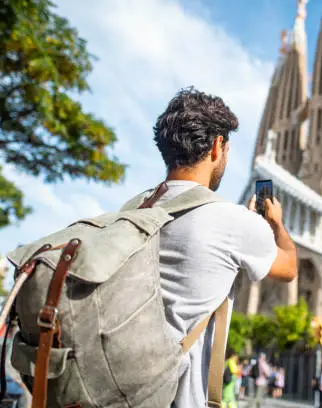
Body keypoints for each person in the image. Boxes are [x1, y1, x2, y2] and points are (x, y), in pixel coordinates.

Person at [128, 87, 298, 408]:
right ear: (217, 147)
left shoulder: (132, 213)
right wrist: (274, 223)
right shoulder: (232, 222)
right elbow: (289, 268)